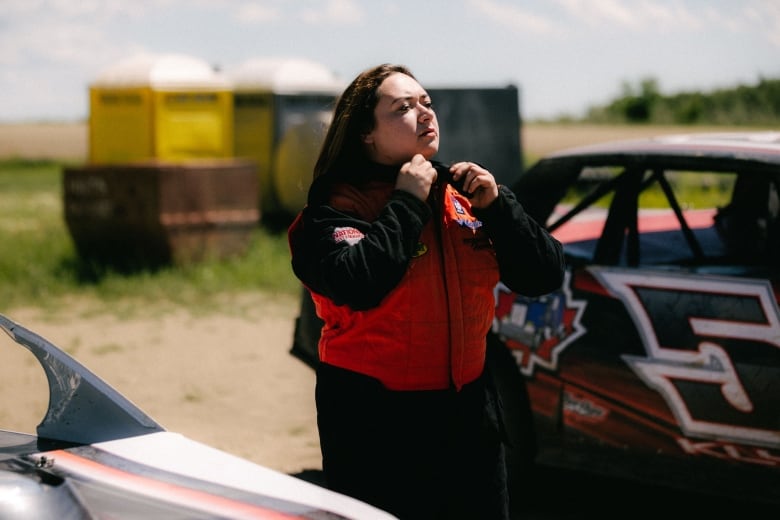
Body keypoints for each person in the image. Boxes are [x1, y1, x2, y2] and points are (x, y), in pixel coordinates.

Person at [288, 64, 565, 520]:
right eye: (403, 107)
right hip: (376, 425)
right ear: (366, 135)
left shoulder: (464, 194)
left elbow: (543, 275)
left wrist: (500, 208)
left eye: (426, 103)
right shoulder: (335, 208)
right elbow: (359, 283)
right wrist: (407, 201)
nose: (424, 114)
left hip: (470, 417)